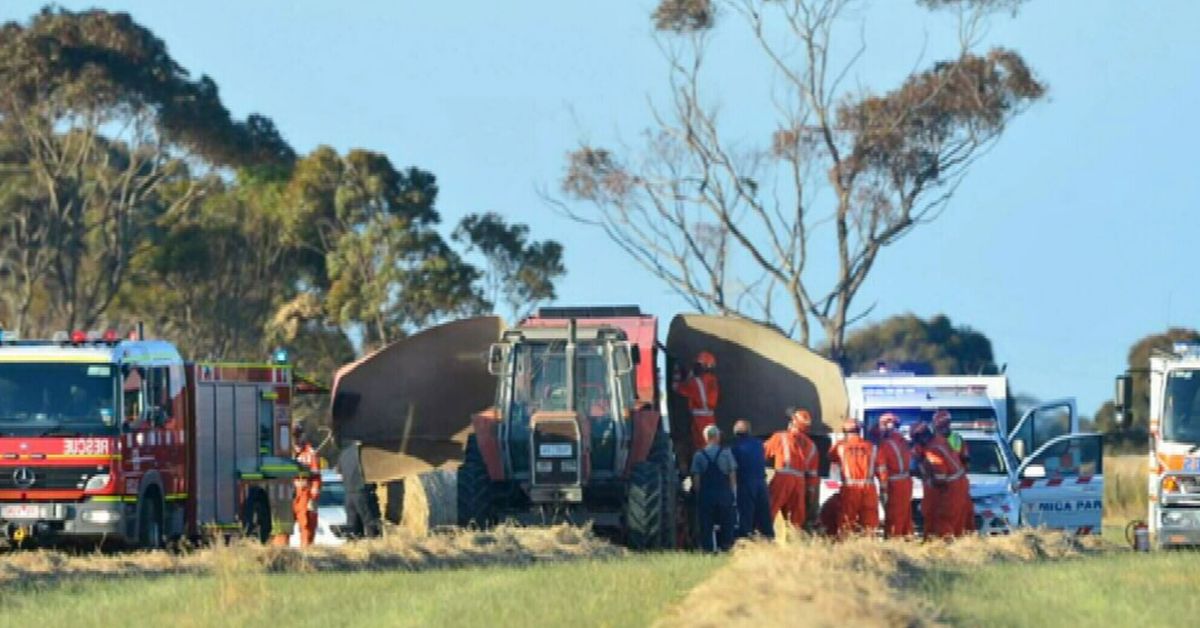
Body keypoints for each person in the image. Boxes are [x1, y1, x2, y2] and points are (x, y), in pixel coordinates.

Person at [764, 408, 820, 532]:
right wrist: (810, 494)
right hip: (800, 483)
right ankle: (795, 543)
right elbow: (812, 475)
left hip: (782, 478)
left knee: (769, 510)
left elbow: (762, 454)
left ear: (793, 422)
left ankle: (764, 540)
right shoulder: (812, 446)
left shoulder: (780, 437)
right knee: (796, 519)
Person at [911, 422, 970, 539]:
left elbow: (940, 473)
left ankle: (944, 545)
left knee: (944, 516)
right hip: (959, 481)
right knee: (956, 518)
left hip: (951, 486)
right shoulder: (940, 440)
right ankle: (957, 543)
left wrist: (933, 481)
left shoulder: (932, 451)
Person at [829, 419, 880, 538]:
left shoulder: (841, 447)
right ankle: (869, 546)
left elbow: (831, 456)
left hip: (850, 488)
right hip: (869, 488)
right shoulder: (872, 447)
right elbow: (880, 467)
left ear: (845, 431)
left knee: (847, 519)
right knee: (869, 520)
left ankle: (846, 546)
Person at [690, 424, 737, 552]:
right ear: (717, 437)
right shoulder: (726, 453)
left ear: (705, 438)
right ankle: (726, 547)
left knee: (706, 524)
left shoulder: (698, 456)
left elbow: (696, 479)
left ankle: (708, 549)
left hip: (706, 495)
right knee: (727, 522)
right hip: (723, 494)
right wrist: (734, 493)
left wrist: (699, 495)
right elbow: (732, 475)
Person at [932, 409, 975, 533]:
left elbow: (965, 459)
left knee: (956, 514)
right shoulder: (954, 438)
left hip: (951, 483)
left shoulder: (946, 440)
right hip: (955, 481)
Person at [730, 419, 773, 539]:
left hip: (745, 483)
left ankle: (745, 539)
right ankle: (768, 537)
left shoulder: (735, 447)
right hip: (761, 483)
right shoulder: (759, 444)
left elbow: (732, 468)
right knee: (764, 514)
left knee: (745, 513)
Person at [876, 412, 914, 539]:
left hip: (894, 484)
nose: (879, 429)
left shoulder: (886, 445)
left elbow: (882, 469)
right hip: (906, 481)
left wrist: (883, 489)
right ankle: (907, 538)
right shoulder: (903, 441)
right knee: (905, 513)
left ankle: (894, 541)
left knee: (894, 515)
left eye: (881, 425)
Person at [673, 351, 719, 450]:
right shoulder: (713, 380)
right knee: (712, 446)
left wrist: (677, 372)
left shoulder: (694, 383)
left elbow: (677, 388)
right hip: (710, 418)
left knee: (701, 447)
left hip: (699, 420)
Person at [336, 439, 381, 538]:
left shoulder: (344, 453)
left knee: (353, 525)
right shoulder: (366, 453)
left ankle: (354, 546)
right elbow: (375, 471)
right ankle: (374, 547)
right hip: (362, 491)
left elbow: (339, 472)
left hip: (348, 494)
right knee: (370, 522)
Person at [292, 424, 322, 547]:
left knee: (307, 523)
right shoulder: (282, 452)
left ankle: (306, 551)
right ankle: (279, 554)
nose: (296, 439)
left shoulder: (310, 453)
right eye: (294, 436)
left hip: (305, 492)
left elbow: (316, 475)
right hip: (286, 493)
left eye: (298, 435)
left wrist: (314, 492)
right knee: (281, 527)